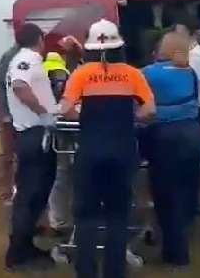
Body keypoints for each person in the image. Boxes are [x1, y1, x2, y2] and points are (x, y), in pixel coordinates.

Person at [59, 19, 155, 278]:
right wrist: (130, 118)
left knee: (87, 215)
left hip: (90, 152)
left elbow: (65, 109)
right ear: (118, 46)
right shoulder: (133, 74)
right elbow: (149, 110)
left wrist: (86, 118)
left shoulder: (81, 74)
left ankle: (86, 272)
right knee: (117, 215)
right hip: (123, 151)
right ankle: (115, 272)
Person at [141, 32, 200, 266]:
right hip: (191, 133)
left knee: (166, 194)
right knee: (187, 191)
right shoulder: (190, 73)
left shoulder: (148, 73)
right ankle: (182, 242)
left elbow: (141, 106)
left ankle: (174, 253)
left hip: (164, 136)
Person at [4, 23, 59, 270]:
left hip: (38, 134)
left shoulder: (27, 59)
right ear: (39, 39)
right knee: (30, 194)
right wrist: (42, 112)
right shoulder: (27, 59)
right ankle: (17, 253)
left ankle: (25, 245)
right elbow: (19, 87)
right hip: (33, 134)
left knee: (38, 193)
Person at [43, 51, 73, 235]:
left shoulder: (40, 70)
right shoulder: (65, 73)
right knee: (62, 172)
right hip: (62, 125)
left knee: (51, 175)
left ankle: (54, 219)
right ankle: (59, 218)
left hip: (42, 125)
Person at [0, 43, 21, 203]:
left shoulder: (24, 55)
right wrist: (4, 113)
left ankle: (15, 188)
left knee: (17, 153)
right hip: (8, 114)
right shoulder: (10, 56)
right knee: (8, 153)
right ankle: (5, 192)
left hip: (18, 113)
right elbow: (0, 85)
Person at [172, 15, 200, 110]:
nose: (176, 37)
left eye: (180, 33)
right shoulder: (181, 52)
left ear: (192, 34)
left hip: (193, 107)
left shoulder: (196, 56)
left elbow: (192, 83)